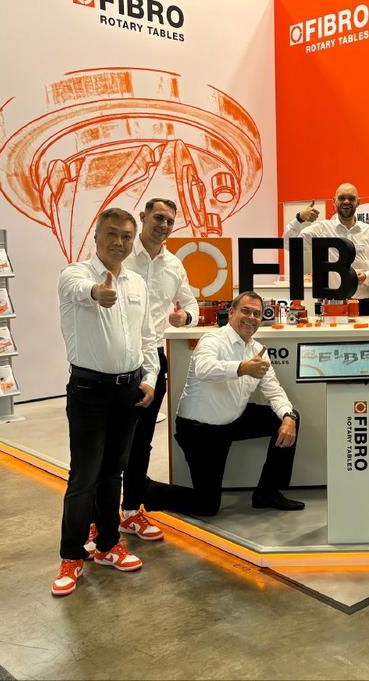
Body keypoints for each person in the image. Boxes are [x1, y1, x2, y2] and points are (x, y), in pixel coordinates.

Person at [51, 208, 158, 597]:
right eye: (112, 234)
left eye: (127, 236)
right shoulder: (75, 274)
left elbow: (147, 336)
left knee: (114, 472)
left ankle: (108, 544)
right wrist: (98, 292)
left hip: (128, 390)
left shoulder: (137, 282)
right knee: (84, 476)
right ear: (96, 236)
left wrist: (149, 378)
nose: (119, 242)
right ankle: (71, 555)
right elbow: (80, 290)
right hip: (89, 391)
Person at [140, 291, 305, 517]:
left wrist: (288, 416)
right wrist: (242, 368)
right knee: (206, 505)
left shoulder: (258, 350)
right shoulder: (212, 340)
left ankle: (267, 493)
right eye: (245, 311)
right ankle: (144, 488)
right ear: (232, 312)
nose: (251, 318)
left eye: (257, 314)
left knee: (287, 418)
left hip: (234, 419)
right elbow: (204, 369)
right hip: (201, 429)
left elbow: (273, 390)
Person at [118, 198, 200, 542]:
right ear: (143, 217)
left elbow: (192, 302)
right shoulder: (121, 255)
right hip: (118, 359)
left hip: (153, 360)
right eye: (158, 218)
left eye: (169, 221)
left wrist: (186, 317)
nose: (163, 225)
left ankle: (130, 511)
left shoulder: (174, 265)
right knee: (112, 444)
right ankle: (99, 517)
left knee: (142, 442)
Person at [285, 183, 369, 315]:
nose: (346, 201)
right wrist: (299, 219)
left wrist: (366, 276)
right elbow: (288, 244)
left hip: (363, 305)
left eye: (351, 198)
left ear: (358, 202)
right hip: (331, 305)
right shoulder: (321, 229)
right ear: (334, 202)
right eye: (341, 198)